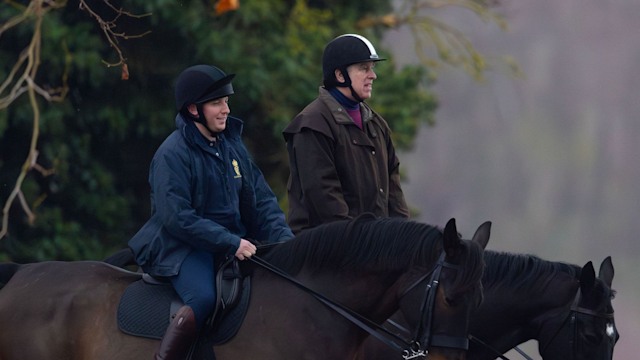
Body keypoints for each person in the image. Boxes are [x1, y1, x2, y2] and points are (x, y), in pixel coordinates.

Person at [128, 64, 294, 360]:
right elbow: (177, 218)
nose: (226, 109)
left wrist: (287, 244)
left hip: (232, 244)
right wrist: (232, 242)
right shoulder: (172, 154)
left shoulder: (233, 147)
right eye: (217, 103)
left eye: (227, 101)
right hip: (183, 247)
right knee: (203, 297)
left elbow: (263, 201)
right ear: (193, 109)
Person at [282, 33, 410, 235]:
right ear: (340, 75)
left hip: (374, 245)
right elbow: (325, 199)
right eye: (364, 68)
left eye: (372, 68)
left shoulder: (378, 125)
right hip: (326, 248)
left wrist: (403, 236)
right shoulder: (311, 125)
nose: (372, 75)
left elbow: (394, 191)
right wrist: (363, 242)